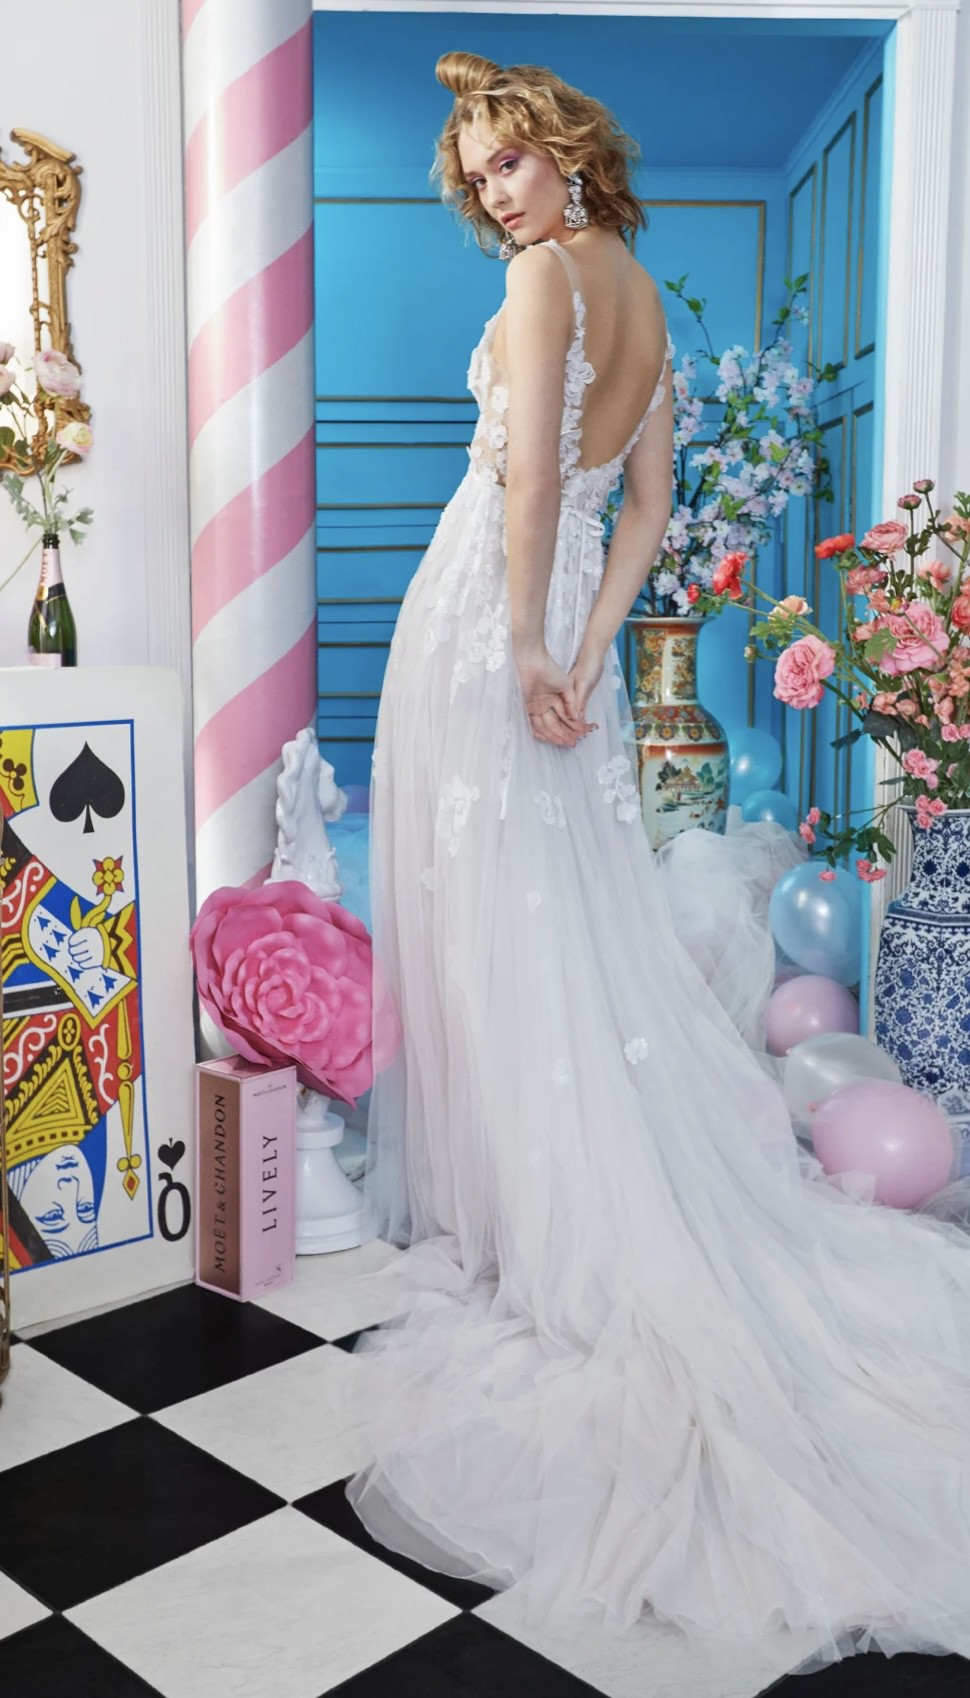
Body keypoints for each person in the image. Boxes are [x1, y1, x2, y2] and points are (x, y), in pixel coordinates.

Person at [343, 50, 970, 1679]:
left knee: (489, 921)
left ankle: (504, 1218)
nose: (490, 191)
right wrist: (591, 643)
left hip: (488, 622)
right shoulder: (646, 309)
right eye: (472, 172)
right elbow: (646, 513)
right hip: (570, 640)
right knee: (537, 918)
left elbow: (532, 488)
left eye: (505, 159)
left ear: (561, 149)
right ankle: (519, 1195)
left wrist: (527, 645)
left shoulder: (547, 277)